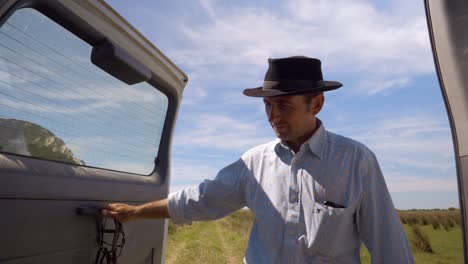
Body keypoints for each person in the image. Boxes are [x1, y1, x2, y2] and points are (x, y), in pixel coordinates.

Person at [103, 56, 414, 263]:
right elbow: (200, 199)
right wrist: (136, 212)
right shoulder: (253, 163)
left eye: (285, 106)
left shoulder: (356, 161)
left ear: (316, 104)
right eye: (267, 106)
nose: (273, 116)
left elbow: (388, 244)